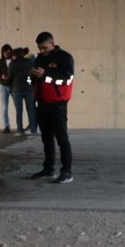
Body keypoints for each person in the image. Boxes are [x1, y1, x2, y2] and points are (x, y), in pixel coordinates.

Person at [28, 31, 74, 183]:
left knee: (62, 139)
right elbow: (30, 82)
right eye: (40, 48)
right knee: (46, 139)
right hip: (41, 104)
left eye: (45, 48)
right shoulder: (39, 59)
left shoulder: (65, 57)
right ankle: (49, 169)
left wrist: (46, 74)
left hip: (57, 104)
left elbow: (66, 80)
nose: (42, 51)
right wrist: (31, 77)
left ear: (52, 44)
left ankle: (67, 172)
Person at [7, 47, 37, 136]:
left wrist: (9, 82)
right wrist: (29, 82)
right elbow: (32, 76)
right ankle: (33, 130)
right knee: (31, 110)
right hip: (29, 89)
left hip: (17, 89)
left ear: (14, 55)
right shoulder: (29, 62)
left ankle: (20, 130)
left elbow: (9, 78)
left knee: (19, 111)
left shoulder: (12, 64)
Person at [0, 43, 13, 133]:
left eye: (8, 52)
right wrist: (1, 77)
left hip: (14, 86)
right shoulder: (0, 61)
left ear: (11, 51)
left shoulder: (14, 60)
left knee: (18, 107)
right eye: (4, 52)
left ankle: (20, 127)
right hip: (3, 86)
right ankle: (6, 126)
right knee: (4, 107)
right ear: (2, 52)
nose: (6, 53)